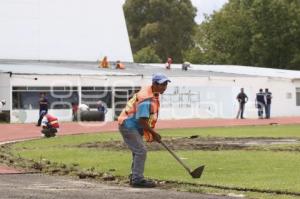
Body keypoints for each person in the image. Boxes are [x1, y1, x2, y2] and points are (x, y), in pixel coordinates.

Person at [118, 73, 170, 188]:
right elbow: (142, 121)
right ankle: (137, 179)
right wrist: (154, 133)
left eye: (166, 84)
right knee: (141, 151)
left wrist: (151, 132)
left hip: (134, 125)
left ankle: (135, 177)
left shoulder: (153, 93)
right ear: (154, 84)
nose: (165, 87)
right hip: (128, 125)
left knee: (137, 152)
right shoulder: (146, 99)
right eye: (162, 84)